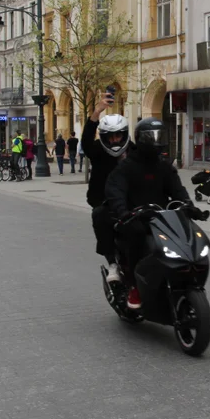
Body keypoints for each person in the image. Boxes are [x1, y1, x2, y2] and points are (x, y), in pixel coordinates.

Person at [105, 118, 207, 310]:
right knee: (136, 235)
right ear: (140, 139)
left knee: (188, 231)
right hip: (137, 218)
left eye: (159, 135)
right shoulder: (126, 167)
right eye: (150, 136)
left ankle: (189, 278)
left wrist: (188, 206)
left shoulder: (164, 166)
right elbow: (116, 191)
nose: (155, 140)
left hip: (163, 217)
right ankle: (135, 286)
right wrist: (123, 212)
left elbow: (177, 189)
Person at [83, 94, 131, 285]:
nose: (114, 140)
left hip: (131, 199)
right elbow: (86, 142)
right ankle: (112, 263)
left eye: (118, 135)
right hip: (104, 200)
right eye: (110, 136)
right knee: (100, 218)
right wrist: (96, 112)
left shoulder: (133, 150)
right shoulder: (97, 150)